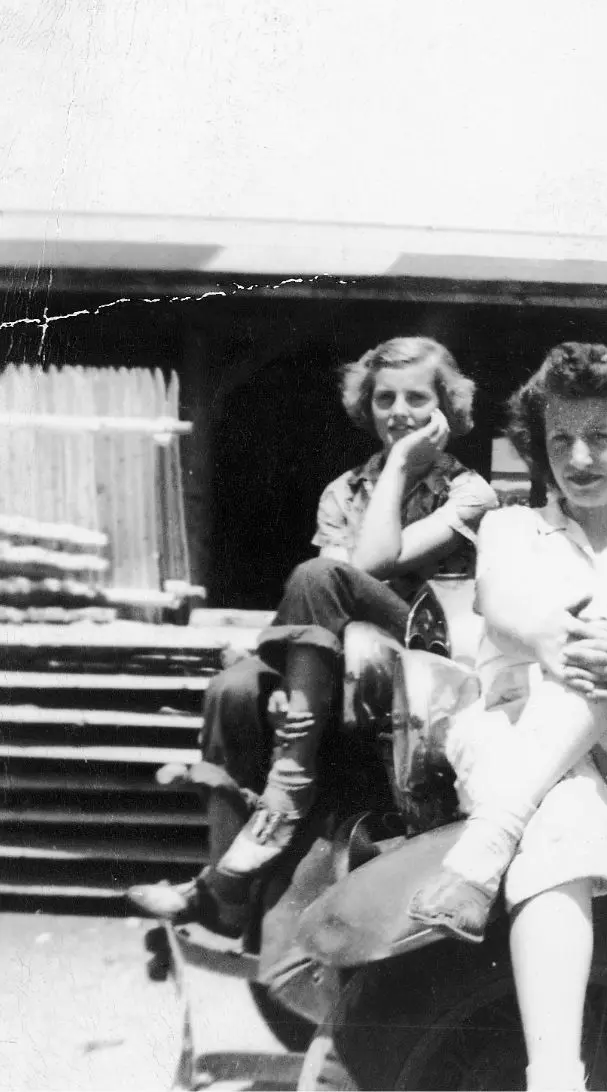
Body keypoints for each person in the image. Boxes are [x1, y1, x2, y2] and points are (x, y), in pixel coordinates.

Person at [406, 342, 607, 1091]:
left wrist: (595, 642)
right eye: (560, 439)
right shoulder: (511, 529)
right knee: (565, 803)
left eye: (601, 436)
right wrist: (549, 637)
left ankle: (490, 842)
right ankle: (556, 1080)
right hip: (509, 738)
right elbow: (503, 608)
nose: (579, 456)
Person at [128, 337, 497, 930]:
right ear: (366, 406)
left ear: (444, 408)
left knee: (320, 572)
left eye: (416, 398)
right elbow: (321, 602)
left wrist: (401, 465)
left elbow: (370, 565)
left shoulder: (469, 491)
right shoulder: (342, 491)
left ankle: (286, 796)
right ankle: (222, 895)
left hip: (421, 650)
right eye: (384, 399)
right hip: (334, 651)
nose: (398, 412)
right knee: (232, 690)